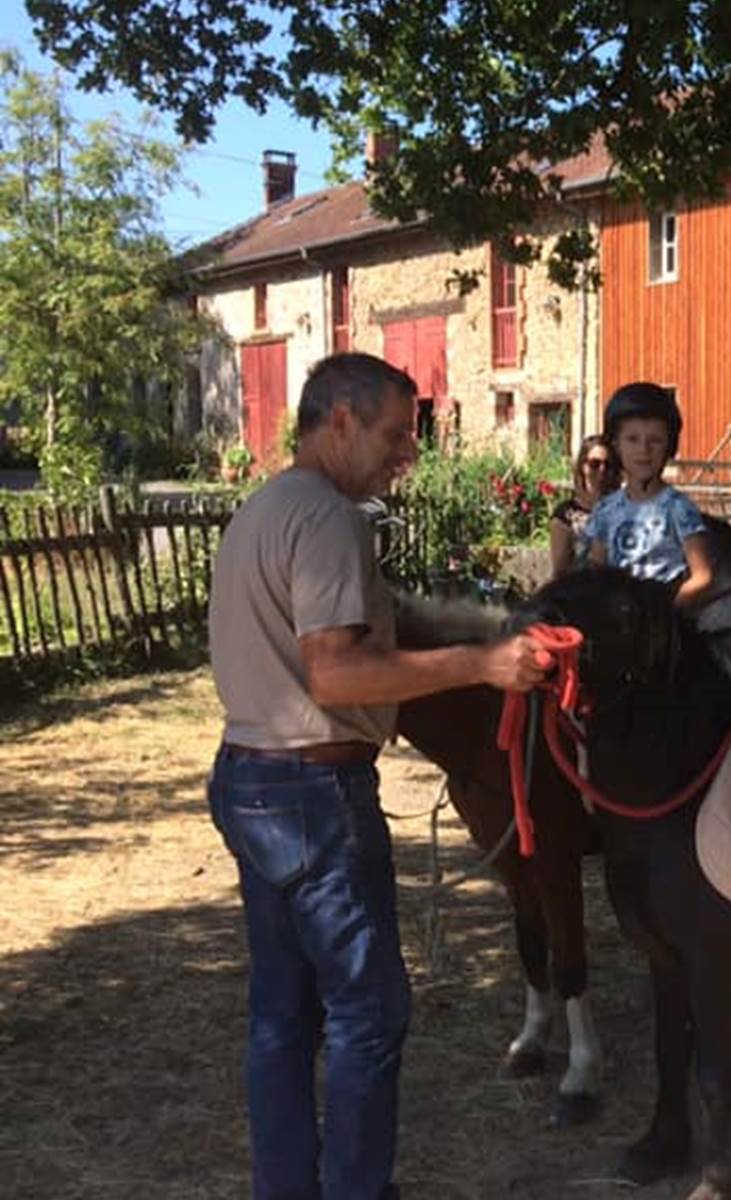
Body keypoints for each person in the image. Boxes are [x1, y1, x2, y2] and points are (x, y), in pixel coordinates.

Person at [206, 353, 549, 1199]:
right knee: (369, 1011)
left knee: (283, 1015)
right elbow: (337, 674)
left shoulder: (261, 512)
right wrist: (482, 663)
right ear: (340, 422)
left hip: (253, 781)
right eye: (396, 435)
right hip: (314, 796)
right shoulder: (328, 518)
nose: (408, 454)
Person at [586, 382, 715, 608]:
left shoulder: (678, 508)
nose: (643, 450)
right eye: (632, 439)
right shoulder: (605, 510)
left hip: (663, 614)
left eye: (654, 441)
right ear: (616, 445)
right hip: (619, 615)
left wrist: (665, 611)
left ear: (669, 447)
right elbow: (596, 572)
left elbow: (702, 576)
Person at [549, 434, 617, 575]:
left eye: (608, 465)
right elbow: (560, 569)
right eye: (595, 464)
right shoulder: (566, 514)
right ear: (583, 466)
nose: (602, 470)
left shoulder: (623, 508)